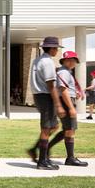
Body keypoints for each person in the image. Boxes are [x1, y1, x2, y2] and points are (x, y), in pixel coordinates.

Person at [27, 36, 66, 170]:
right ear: (52, 48)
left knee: (53, 126)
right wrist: (58, 105)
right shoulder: (48, 62)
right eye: (56, 48)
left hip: (38, 96)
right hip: (46, 96)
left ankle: (36, 150)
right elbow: (51, 85)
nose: (57, 51)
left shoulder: (36, 60)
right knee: (46, 128)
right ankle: (42, 161)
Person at [47, 51, 88, 167]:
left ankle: (49, 149)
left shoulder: (67, 72)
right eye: (69, 60)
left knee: (68, 130)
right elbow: (63, 90)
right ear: (63, 61)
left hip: (68, 100)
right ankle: (69, 158)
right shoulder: (64, 72)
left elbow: (67, 88)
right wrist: (71, 108)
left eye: (73, 60)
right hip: (66, 102)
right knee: (70, 129)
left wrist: (76, 93)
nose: (71, 62)